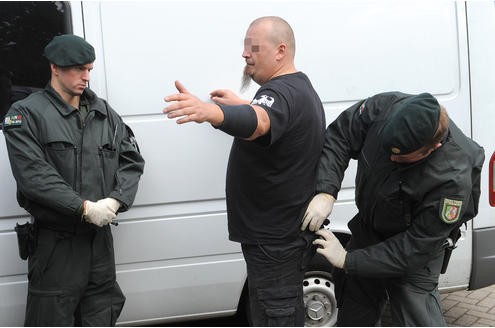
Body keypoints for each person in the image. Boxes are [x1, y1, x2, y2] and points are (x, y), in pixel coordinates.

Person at [163, 16, 326, 326]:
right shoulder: (295, 88)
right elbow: (266, 117)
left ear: (280, 51)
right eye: (244, 45)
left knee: (275, 317)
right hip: (279, 239)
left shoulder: (281, 92)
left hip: (274, 242)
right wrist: (240, 105)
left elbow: (261, 122)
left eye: (253, 46)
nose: (244, 53)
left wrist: (213, 112)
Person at [306, 92, 485, 326]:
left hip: (416, 247)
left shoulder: (451, 179)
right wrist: (326, 191)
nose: (390, 157)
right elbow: (340, 135)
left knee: (415, 314)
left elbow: (413, 248)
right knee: (355, 308)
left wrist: (347, 259)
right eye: (388, 149)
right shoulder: (384, 108)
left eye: (401, 157)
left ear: (432, 147)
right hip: (371, 227)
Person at [3, 34, 145, 326]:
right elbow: (34, 175)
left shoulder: (105, 114)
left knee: (100, 315)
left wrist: (116, 200)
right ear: (55, 67)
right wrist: (83, 208)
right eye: (77, 69)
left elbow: (131, 161)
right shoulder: (26, 114)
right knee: (51, 319)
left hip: (99, 244)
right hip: (56, 246)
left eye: (89, 69)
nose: (86, 76)